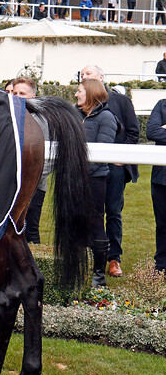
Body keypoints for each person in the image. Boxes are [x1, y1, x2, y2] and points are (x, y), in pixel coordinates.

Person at [80, 65, 140, 277]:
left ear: (101, 77)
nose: (84, 76)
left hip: (114, 169)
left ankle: (114, 258)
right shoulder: (80, 106)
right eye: (82, 74)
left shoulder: (120, 101)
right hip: (89, 170)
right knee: (91, 212)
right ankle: (91, 255)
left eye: (88, 73)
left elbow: (134, 132)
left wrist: (120, 158)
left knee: (113, 212)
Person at [75, 79, 117, 287]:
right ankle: (76, 269)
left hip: (94, 180)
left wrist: (79, 171)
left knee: (95, 224)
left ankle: (98, 275)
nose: (76, 94)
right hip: (73, 179)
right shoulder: (74, 114)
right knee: (73, 223)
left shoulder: (107, 117)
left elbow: (102, 152)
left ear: (91, 93)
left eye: (80, 91)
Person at [7, 77, 51, 244]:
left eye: (22, 93)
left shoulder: (40, 120)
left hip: (35, 186)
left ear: (32, 97)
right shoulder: (10, 116)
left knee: (30, 228)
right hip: (13, 183)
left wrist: (32, 180)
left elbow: (46, 157)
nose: (17, 96)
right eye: (14, 92)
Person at [147, 98, 166, 272]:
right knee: (162, 224)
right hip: (161, 178)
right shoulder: (161, 104)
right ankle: (161, 266)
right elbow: (151, 132)